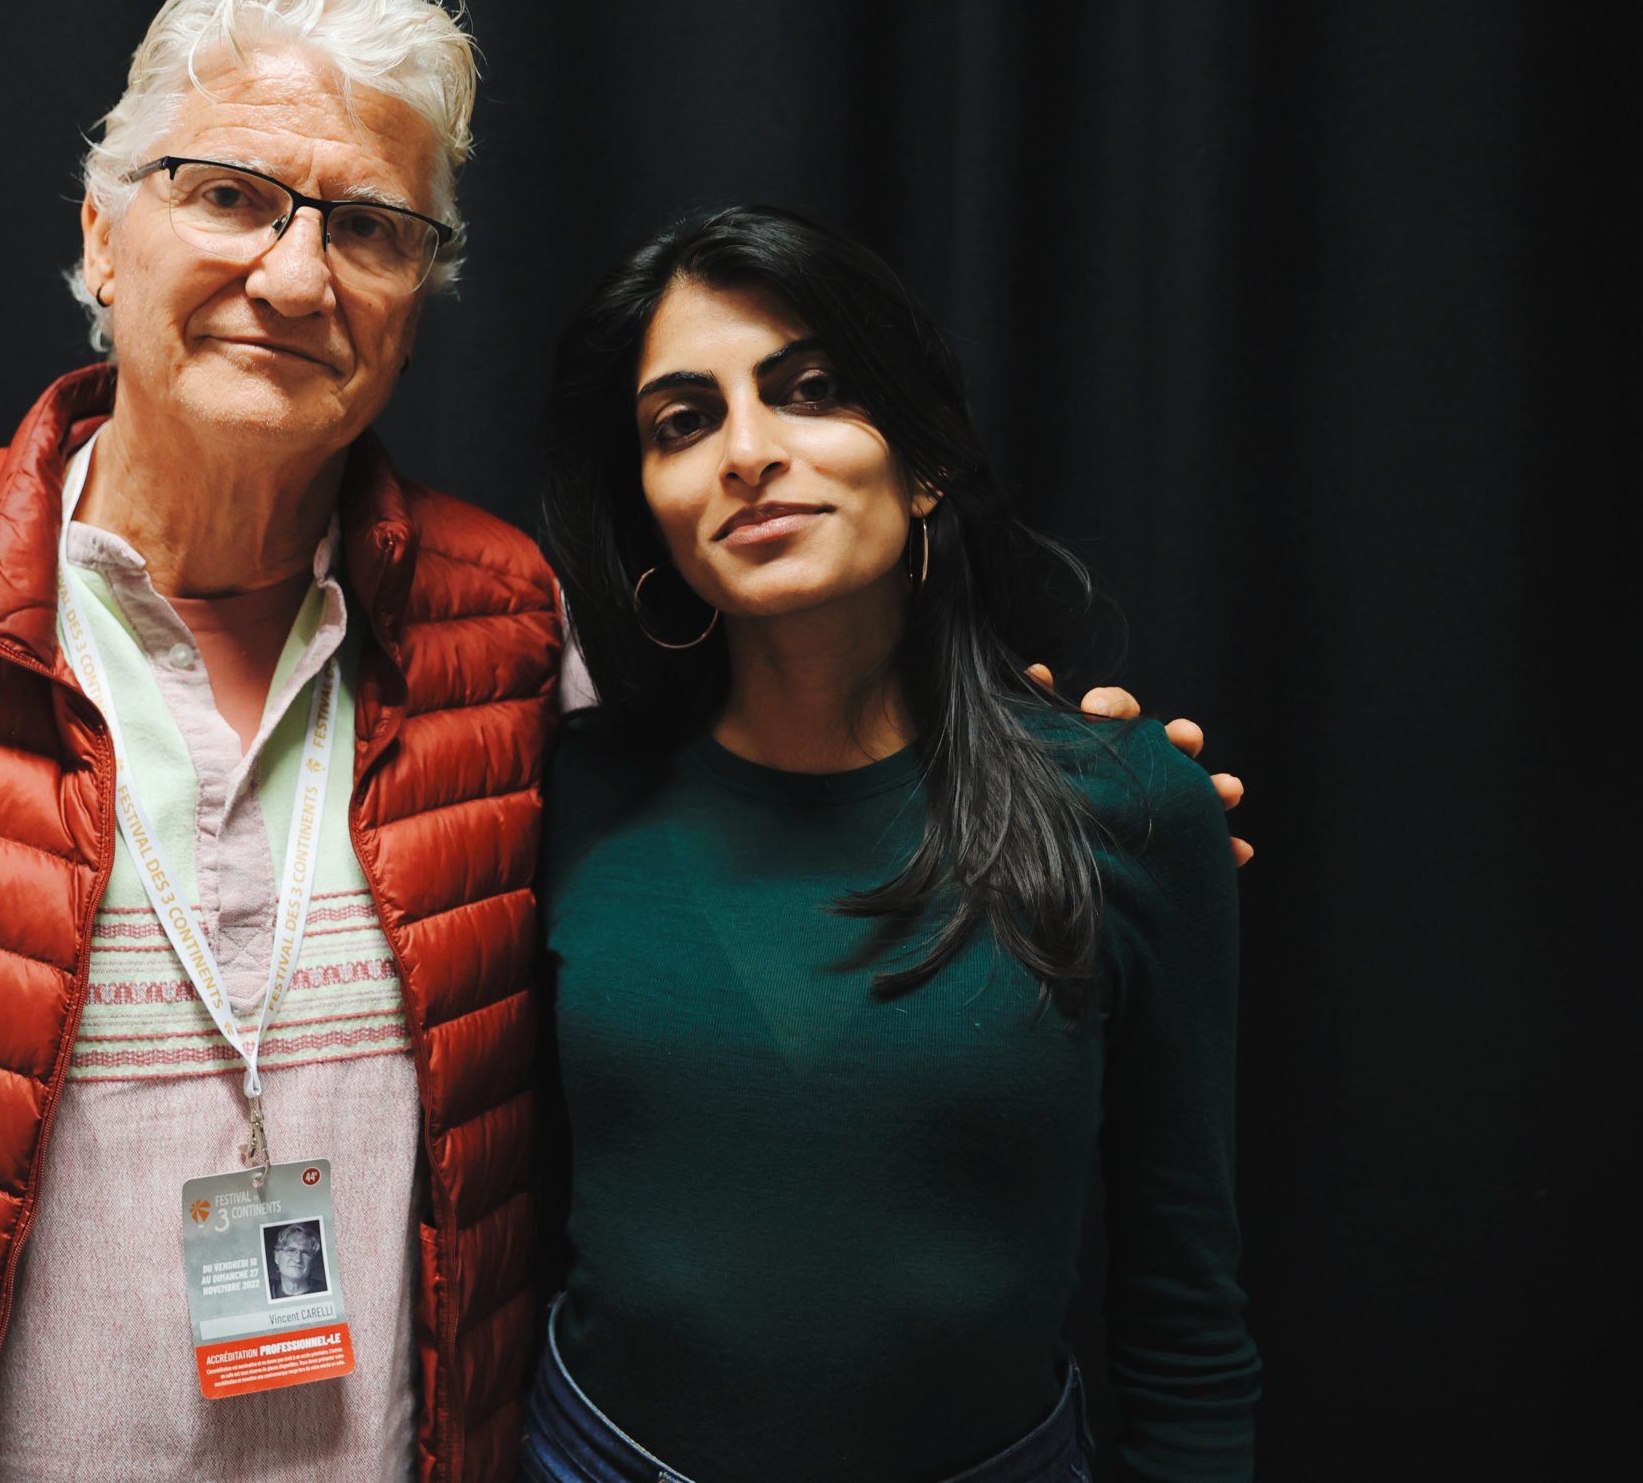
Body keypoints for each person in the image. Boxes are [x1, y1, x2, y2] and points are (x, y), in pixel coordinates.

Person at [0, 0, 1243, 1483]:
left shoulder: (508, 633)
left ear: (414, 294)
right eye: (229, 194)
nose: (294, 276)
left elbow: (804, 783)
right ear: (103, 230)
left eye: (368, 226)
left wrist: (1070, 771)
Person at [527, 206, 1261, 1482]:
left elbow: (1183, 1304)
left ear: (921, 464)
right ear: (649, 505)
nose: (748, 453)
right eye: (683, 421)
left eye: (811, 391)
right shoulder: (560, 800)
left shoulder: (1133, 805)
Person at [267, 1222, 332, 1300]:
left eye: (305, 1253)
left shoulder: (326, 1290)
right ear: (276, 1256)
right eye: (291, 1250)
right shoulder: (266, 1290)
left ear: (313, 1261)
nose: (298, 1259)